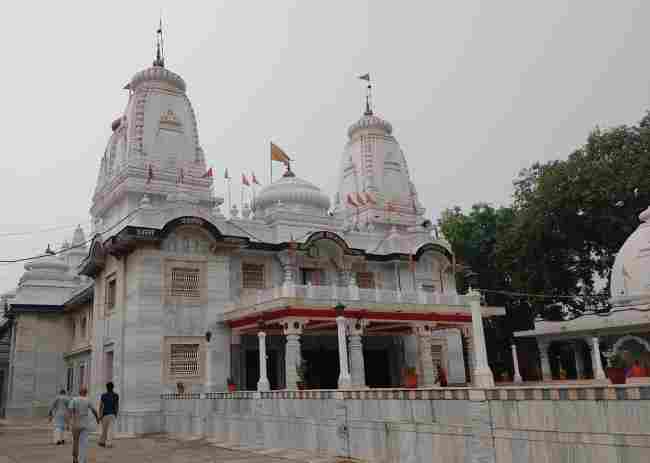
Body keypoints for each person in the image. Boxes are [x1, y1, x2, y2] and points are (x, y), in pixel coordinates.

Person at [68, 387, 100, 463]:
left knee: (76, 442)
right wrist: (97, 419)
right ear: (86, 393)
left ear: (79, 392)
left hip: (76, 424)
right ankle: (82, 459)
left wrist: (69, 422)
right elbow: (94, 411)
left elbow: (70, 411)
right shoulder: (88, 400)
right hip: (85, 424)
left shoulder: (74, 400)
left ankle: (75, 459)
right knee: (83, 442)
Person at [98, 382, 119, 448]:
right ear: (113, 387)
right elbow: (116, 405)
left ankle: (102, 442)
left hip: (105, 414)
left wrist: (100, 415)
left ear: (106, 388)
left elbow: (101, 406)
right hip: (112, 414)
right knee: (110, 429)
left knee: (104, 429)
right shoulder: (116, 395)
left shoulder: (103, 395)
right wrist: (116, 413)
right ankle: (109, 443)